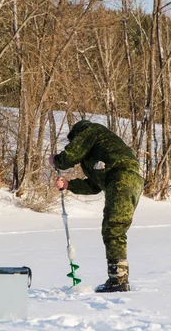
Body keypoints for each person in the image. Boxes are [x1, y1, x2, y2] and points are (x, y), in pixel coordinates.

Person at [49, 120, 144, 292]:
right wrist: (69, 185)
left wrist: (57, 161)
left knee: (114, 229)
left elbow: (69, 157)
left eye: (74, 141)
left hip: (121, 178)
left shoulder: (92, 131)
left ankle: (118, 281)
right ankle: (118, 278)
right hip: (129, 181)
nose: (75, 144)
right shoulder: (97, 153)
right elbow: (94, 186)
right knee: (114, 228)